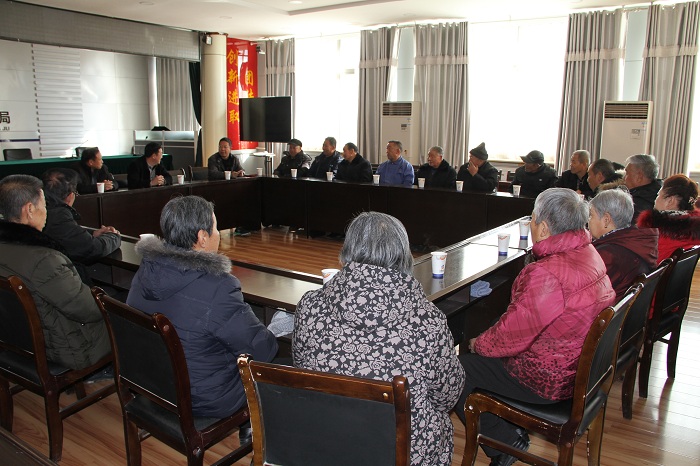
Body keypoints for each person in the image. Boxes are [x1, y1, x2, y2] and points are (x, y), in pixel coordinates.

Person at [455, 188, 615, 466]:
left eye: (532, 218)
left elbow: (511, 337)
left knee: (455, 370)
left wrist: (477, 343)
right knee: (493, 330)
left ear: (543, 228)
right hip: (578, 369)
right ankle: (510, 425)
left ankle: (504, 442)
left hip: (548, 379)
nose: (530, 223)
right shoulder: (589, 252)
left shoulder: (547, 274)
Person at [293, 211, 465, 466]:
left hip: (327, 443)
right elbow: (446, 397)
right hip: (401, 453)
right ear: (404, 256)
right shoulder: (428, 320)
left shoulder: (309, 306)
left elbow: (301, 368)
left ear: (346, 252)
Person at [126, 195, 278, 419]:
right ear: (202, 238)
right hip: (202, 397)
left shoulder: (146, 270)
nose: (218, 234)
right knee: (278, 362)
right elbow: (261, 350)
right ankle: (253, 428)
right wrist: (275, 331)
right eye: (215, 228)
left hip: (152, 381)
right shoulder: (218, 286)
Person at [0, 174, 111, 370]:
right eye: (44, 205)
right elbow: (89, 309)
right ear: (30, 209)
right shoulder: (44, 260)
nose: (47, 212)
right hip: (67, 349)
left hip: (16, 341)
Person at [42, 168, 121, 282]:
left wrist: (92, 233)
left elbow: (68, 233)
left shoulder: (44, 210)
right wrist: (114, 236)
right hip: (64, 281)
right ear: (70, 196)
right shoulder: (58, 215)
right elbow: (92, 249)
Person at [589, 189, 658, 300]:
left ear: (606, 220)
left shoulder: (608, 254)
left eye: (591, 215)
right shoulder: (633, 241)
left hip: (612, 308)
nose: (588, 221)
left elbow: (591, 296)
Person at [637, 174, 700, 263]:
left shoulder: (655, 234)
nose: (655, 200)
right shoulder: (694, 231)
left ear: (670, 201)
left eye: (658, 195)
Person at [624, 154, 663, 220]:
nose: (624, 178)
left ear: (639, 177)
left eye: (627, 173)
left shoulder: (636, 206)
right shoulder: (657, 193)